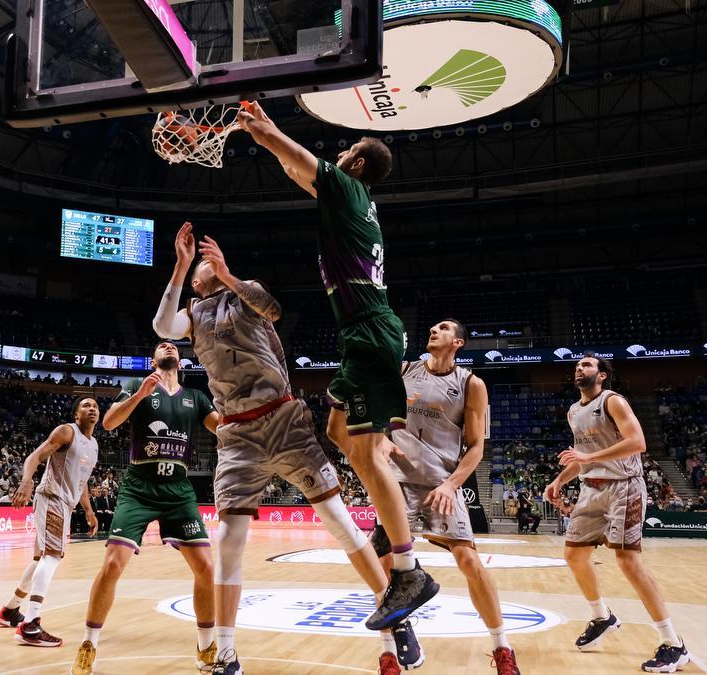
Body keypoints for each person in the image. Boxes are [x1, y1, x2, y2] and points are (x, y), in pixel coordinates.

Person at [153, 224, 405, 675]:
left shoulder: (244, 293)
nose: (205, 267)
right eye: (200, 268)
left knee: (341, 524)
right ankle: (225, 653)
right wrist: (180, 264)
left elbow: (272, 308)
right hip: (237, 434)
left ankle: (394, 623)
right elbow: (160, 325)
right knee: (228, 540)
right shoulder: (191, 313)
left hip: (284, 419)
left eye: (209, 262)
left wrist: (228, 275)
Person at [236, 101, 438, 633]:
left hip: (370, 334)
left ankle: (408, 568)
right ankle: (386, 514)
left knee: (368, 456)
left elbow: (297, 158)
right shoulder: (351, 200)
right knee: (335, 428)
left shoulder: (349, 188)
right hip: (360, 335)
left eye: (345, 151)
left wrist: (259, 131)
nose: (338, 154)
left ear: (355, 166)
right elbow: (298, 169)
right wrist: (270, 129)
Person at [372, 318, 520, 674]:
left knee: (468, 560)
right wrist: (383, 439)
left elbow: (476, 447)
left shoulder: (471, 384)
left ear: (459, 342)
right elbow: (376, 415)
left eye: (443, 328)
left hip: (440, 484)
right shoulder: (404, 369)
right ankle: (390, 649)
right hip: (397, 482)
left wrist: (451, 485)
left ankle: (502, 647)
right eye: (433, 328)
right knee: (383, 563)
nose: (434, 331)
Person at [71, 343, 220, 675]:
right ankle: (88, 645)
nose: (168, 345)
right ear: (153, 360)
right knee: (112, 564)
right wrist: (140, 395)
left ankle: (206, 646)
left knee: (207, 568)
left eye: (172, 346)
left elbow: (220, 427)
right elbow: (109, 423)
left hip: (179, 490)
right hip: (139, 487)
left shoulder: (195, 396)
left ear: (181, 361)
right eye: (161, 345)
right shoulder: (136, 386)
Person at [543, 354, 689, 672]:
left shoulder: (613, 402)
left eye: (587, 365)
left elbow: (637, 442)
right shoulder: (573, 411)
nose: (579, 368)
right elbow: (581, 458)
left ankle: (674, 644)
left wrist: (588, 455)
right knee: (574, 556)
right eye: (577, 365)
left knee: (628, 561)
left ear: (602, 375)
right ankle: (602, 616)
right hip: (590, 489)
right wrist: (558, 480)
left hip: (624, 486)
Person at [0, 397, 100, 648]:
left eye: (96, 406)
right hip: (51, 496)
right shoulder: (67, 431)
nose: (92, 409)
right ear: (76, 414)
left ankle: (10, 610)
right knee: (52, 556)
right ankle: (30, 624)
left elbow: (81, 479)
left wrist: (88, 509)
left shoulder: (94, 444)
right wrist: (26, 481)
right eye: (86, 405)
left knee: (41, 557)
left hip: (66, 503)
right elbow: (36, 456)